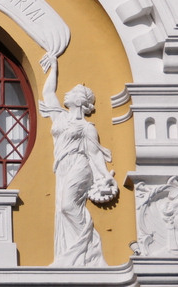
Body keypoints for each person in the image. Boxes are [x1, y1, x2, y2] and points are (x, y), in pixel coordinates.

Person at [39, 54, 118, 267]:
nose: (67, 92)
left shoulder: (87, 128)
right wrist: (53, 67)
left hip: (78, 164)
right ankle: (73, 254)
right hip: (62, 168)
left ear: (81, 101)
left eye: (73, 92)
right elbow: (48, 92)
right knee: (62, 210)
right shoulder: (60, 117)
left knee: (67, 206)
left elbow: (94, 154)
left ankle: (89, 245)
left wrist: (104, 176)